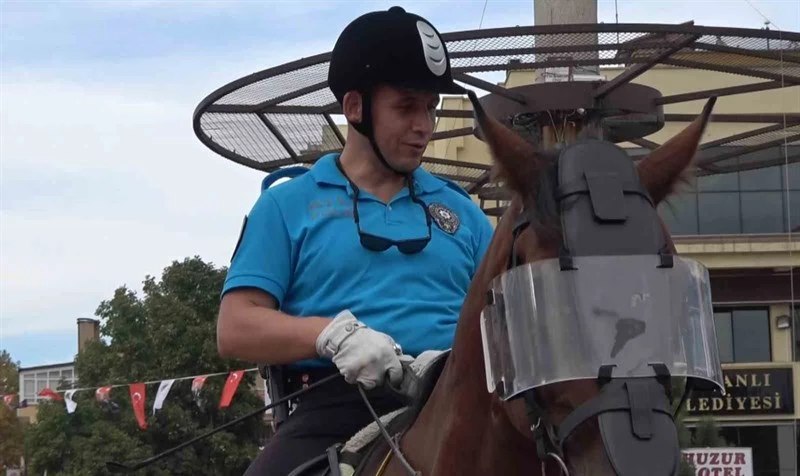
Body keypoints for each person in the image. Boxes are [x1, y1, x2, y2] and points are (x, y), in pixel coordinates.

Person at [216, 6, 495, 476]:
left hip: (460, 403)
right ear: (354, 107)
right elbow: (235, 327)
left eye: (431, 107)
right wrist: (330, 335)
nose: (424, 125)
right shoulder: (287, 206)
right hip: (334, 409)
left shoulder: (464, 212)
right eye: (406, 107)